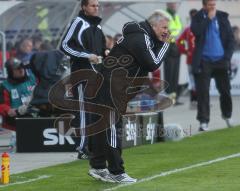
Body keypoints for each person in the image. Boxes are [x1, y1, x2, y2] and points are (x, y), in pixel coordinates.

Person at [87, 10, 171, 183]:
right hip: (111, 86)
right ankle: (117, 172)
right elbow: (152, 64)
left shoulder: (142, 35)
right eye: (164, 27)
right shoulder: (141, 38)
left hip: (110, 85)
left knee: (103, 127)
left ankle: (98, 166)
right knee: (112, 127)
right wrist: (165, 44)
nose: (166, 31)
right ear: (153, 25)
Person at [60, 0, 107, 159]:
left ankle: (94, 146)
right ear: (84, 7)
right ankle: (82, 148)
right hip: (81, 74)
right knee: (83, 111)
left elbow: (101, 50)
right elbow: (65, 45)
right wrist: (87, 56)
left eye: (97, 5)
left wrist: (106, 54)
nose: (96, 8)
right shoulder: (78, 22)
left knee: (95, 111)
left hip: (97, 75)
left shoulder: (98, 26)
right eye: (93, 5)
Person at [191, 0, 234, 131]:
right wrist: (208, 19)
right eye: (210, 5)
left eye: (214, 5)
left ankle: (227, 115)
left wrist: (227, 57)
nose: (213, 7)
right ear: (204, 6)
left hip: (221, 60)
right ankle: (203, 122)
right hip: (204, 61)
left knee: (225, 91)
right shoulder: (198, 17)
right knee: (203, 93)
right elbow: (196, 32)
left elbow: (230, 39)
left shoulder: (222, 17)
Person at [0, 58, 36, 131]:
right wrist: (8, 110)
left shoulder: (32, 79)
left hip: (34, 114)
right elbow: (1, 105)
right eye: (17, 68)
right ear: (10, 71)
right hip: (15, 119)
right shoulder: (4, 86)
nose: (21, 69)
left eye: (22, 67)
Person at [176, 9, 198, 108]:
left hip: (201, 59)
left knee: (202, 80)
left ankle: (201, 100)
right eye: (193, 16)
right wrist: (185, 51)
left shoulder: (203, 28)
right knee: (193, 80)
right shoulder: (188, 30)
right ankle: (194, 101)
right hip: (191, 59)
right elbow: (179, 41)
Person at [163, 2, 183, 105]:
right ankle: (168, 98)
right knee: (169, 74)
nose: (174, 5)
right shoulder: (165, 16)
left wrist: (180, 41)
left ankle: (174, 98)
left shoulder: (176, 16)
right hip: (169, 47)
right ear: (168, 5)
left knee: (175, 74)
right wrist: (172, 39)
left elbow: (180, 30)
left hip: (176, 47)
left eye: (175, 4)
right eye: (172, 4)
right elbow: (164, 31)